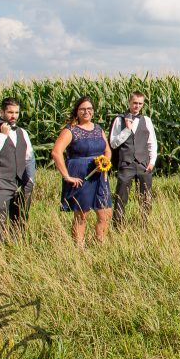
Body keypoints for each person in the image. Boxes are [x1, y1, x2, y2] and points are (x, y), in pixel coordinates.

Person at [51, 96, 112, 247]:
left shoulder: (98, 129)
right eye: (83, 109)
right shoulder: (70, 130)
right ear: (77, 111)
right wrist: (66, 176)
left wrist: (105, 161)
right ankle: (79, 249)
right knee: (82, 214)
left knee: (105, 213)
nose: (86, 112)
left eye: (89, 109)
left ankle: (100, 245)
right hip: (81, 175)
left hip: (99, 175)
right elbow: (56, 152)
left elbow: (107, 150)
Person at [0, 97, 35, 241]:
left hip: (20, 183)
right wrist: (2, 136)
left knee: (20, 221)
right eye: (10, 112)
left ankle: (16, 250)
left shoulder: (23, 132)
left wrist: (31, 180)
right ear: (2, 112)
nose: (13, 116)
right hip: (0, 182)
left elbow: (29, 157)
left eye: (16, 112)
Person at [109, 91, 157, 226]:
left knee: (146, 198)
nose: (137, 106)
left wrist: (152, 162)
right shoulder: (119, 120)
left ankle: (144, 226)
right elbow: (113, 143)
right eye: (135, 103)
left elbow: (152, 142)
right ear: (129, 102)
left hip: (144, 164)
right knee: (121, 198)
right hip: (126, 164)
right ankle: (117, 225)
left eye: (140, 103)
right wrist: (127, 130)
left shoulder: (146, 120)